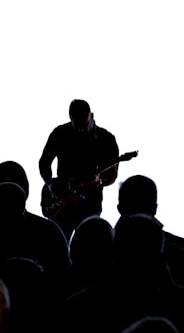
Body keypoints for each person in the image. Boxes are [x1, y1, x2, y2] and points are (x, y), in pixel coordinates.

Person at [38, 99, 122, 242]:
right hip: (63, 199)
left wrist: (99, 180)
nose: (80, 129)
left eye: (84, 124)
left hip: (90, 202)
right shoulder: (60, 133)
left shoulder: (106, 139)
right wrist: (51, 184)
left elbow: (112, 176)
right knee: (56, 245)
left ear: (92, 116)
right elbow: (44, 162)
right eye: (76, 126)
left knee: (90, 246)